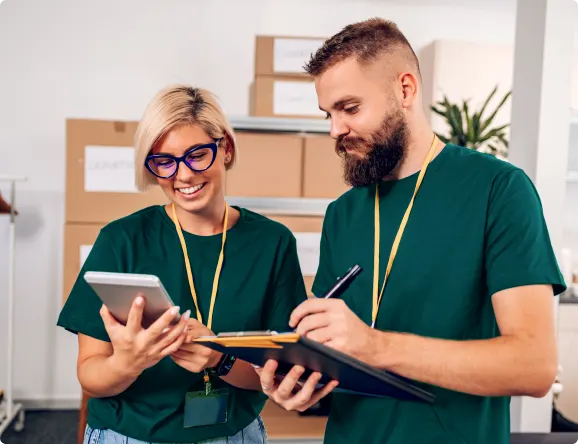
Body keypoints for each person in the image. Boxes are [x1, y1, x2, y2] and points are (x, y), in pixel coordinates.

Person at [256, 18, 566, 444]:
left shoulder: (499, 190)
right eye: (328, 114)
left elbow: (534, 366)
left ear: (405, 90)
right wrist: (301, 386)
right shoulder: (342, 213)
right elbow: (339, 362)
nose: (335, 130)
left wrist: (375, 345)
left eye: (350, 108)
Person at [57, 84, 307, 443]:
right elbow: (89, 374)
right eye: (165, 162)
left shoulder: (272, 243)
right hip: (128, 435)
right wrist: (126, 363)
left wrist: (218, 359)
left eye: (197, 155)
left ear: (226, 149)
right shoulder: (120, 241)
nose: (184, 175)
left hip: (232, 435)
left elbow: (279, 375)